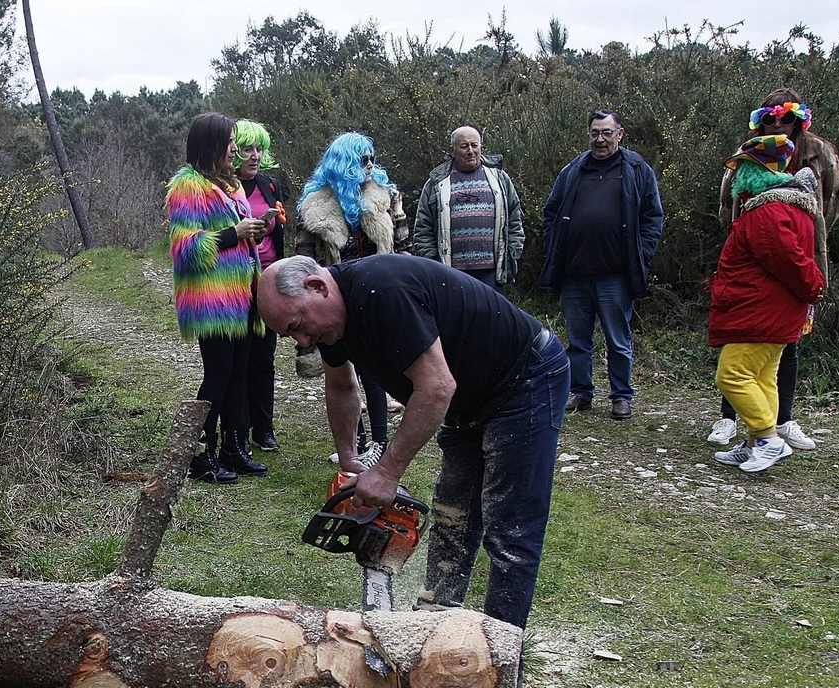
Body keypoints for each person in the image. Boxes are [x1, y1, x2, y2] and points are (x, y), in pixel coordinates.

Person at [258, 254, 568, 633]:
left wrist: (387, 471)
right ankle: (432, 632)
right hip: (464, 397)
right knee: (453, 518)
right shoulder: (331, 323)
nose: (304, 340)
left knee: (511, 532)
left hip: (523, 379)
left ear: (317, 287)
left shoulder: (383, 292)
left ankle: (501, 658)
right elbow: (341, 385)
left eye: (298, 325)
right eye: (292, 336)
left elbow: (437, 387)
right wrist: (349, 459)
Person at [706, 89, 839, 451]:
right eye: (770, 117)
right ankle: (741, 426)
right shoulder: (750, 151)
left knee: (758, 356)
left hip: (786, 254)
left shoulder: (817, 153)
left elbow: (830, 203)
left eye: (786, 117)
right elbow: (727, 201)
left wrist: (800, 229)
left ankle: (773, 429)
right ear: (761, 119)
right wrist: (748, 238)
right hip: (755, 254)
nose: (778, 123)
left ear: (799, 119)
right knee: (760, 354)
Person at [539, 108, 663, 420]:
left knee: (618, 341)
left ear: (620, 134)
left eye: (607, 133)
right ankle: (581, 393)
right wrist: (553, 246)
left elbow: (653, 216)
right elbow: (551, 213)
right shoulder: (573, 170)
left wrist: (642, 253)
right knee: (578, 342)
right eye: (595, 133)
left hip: (615, 275)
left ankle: (621, 397)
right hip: (574, 274)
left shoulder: (636, 169)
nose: (600, 139)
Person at [296, 132, 410, 466]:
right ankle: (356, 442)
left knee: (373, 369)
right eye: (363, 159)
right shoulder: (315, 207)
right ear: (344, 163)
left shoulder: (384, 196)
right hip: (336, 299)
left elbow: (404, 249)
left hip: (378, 296)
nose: (370, 165)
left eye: (372, 157)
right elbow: (304, 261)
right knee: (343, 373)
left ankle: (379, 443)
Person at [167, 111, 269, 482]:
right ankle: (200, 454)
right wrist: (234, 233)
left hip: (242, 295)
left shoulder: (231, 186)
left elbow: (239, 236)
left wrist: (255, 231)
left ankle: (235, 449)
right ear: (210, 145)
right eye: (228, 142)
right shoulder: (188, 186)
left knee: (240, 372)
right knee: (219, 374)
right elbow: (186, 248)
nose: (234, 149)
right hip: (213, 301)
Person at [411, 125, 524, 293]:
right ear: (452, 150)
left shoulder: (500, 179)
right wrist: (433, 263)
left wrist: (512, 253)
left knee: (491, 318)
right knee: (456, 319)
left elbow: (515, 221)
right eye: (464, 146)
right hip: (451, 273)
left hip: (492, 273)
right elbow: (423, 229)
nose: (471, 151)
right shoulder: (437, 184)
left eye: (475, 145)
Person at [234, 119, 290, 453]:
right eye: (247, 149)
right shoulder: (225, 189)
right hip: (236, 285)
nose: (254, 155)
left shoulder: (270, 186)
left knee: (265, 357)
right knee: (240, 358)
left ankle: (264, 429)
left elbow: (279, 234)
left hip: (267, 280)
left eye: (259, 149)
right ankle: (238, 426)